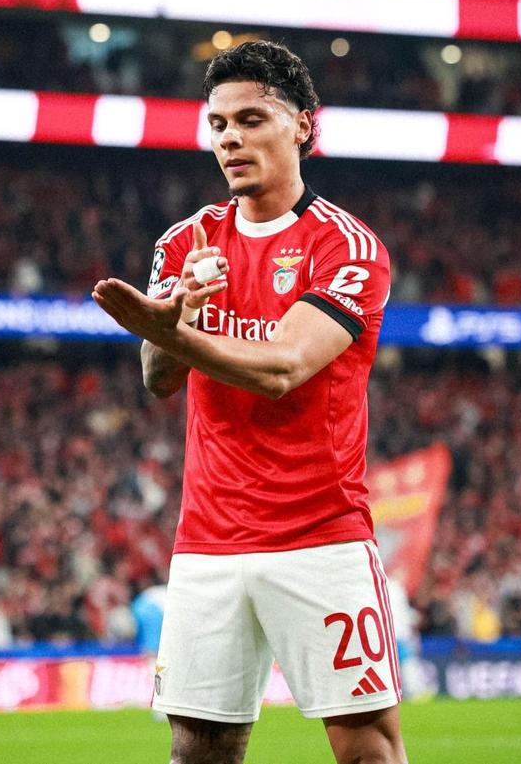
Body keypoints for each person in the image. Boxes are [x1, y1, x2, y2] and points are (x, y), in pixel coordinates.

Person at [93, 40, 407, 764]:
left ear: (302, 126)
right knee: (198, 750)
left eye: (251, 119)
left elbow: (283, 368)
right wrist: (177, 318)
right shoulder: (187, 242)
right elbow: (158, 378)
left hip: (321, 535)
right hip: (208, 540)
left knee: (366, 748)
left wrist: (170, 330)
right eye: (218, 124)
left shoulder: (348, 248)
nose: (229, 138)